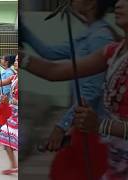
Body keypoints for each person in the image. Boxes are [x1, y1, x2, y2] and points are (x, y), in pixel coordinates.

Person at [21, 0, 128, 178]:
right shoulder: (112, 51)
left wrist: (68, 124)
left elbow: (91, 90)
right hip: (113, 154)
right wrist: (19, 58)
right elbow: (53, 70)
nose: (118, 4)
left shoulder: (101, 38)